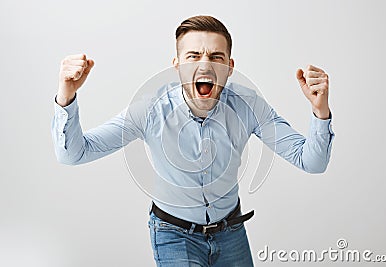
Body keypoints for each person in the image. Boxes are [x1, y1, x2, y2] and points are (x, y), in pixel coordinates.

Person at [52, 15, 334, 267]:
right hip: (174, 236)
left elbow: (311, 162)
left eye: (216, 57)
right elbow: (74, 154)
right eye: (193, 56)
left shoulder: (249, 106)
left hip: (231, 234)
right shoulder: (150, 109)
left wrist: (319, 110)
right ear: (176, 65)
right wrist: (66, 95)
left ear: (230, 67)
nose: (205, 65)